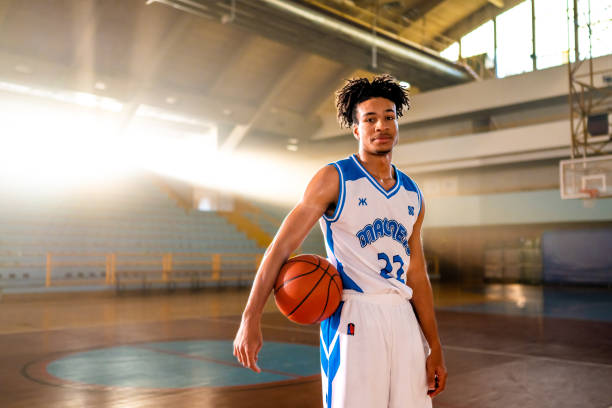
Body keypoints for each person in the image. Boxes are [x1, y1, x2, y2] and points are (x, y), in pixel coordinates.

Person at [233, 74, 447, 408]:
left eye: (389, 117)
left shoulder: (412, 193)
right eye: (370, 119)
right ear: (356, 129)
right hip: (354, 316)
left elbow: (416, 273)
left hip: (404, 318)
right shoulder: (334, 179)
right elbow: (281, 247)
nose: (381, 126)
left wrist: (433, 345)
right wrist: (251, 317)